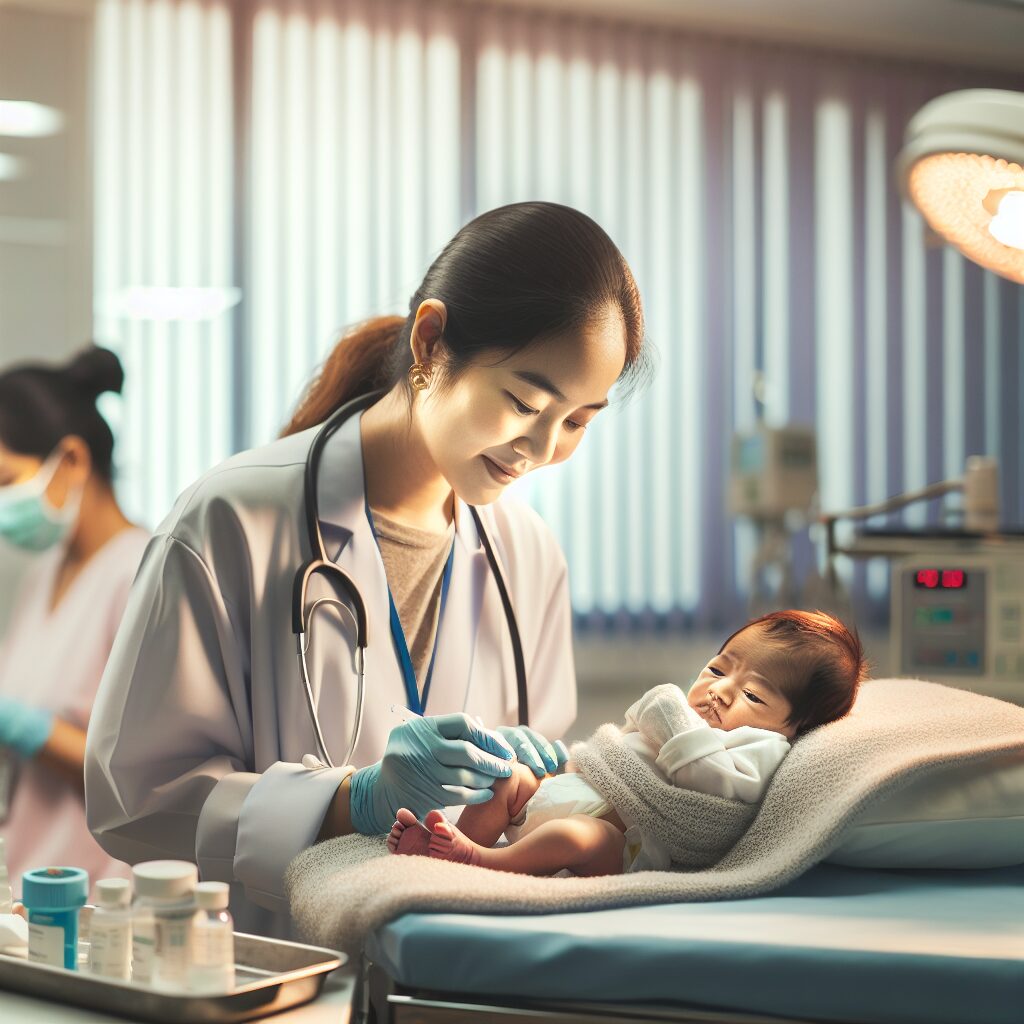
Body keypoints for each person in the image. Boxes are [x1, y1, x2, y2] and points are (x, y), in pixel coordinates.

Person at [85, 202, 649, 934]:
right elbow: (137, 804)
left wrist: (531, 791)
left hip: (457, 982)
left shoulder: (527, 553)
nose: (542, 448)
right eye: (524, 401)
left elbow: (523, 818)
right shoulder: (233, 519)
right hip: (281, 978)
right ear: (431, 340)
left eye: (577, 420)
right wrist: (353, 799)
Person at [388, 610, 867, 876]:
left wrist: (671, 722)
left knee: (574, 837)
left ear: (792, 726)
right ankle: (454, 844)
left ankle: (482, 860)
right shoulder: (690, 714)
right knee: (506, 776)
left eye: (753, 694)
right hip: (563, 792)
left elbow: (715, 786)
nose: (719, 689)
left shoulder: (762, 748)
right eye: (718, 669)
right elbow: (618, 752)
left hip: (616, 841)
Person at [0, 346, 148, 892]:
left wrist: (24, 725)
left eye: (4, 480)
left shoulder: (141, 572)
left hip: (100, 898)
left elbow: (138, 778)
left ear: (73, 460)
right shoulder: (44, 572)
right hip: (28, 886)